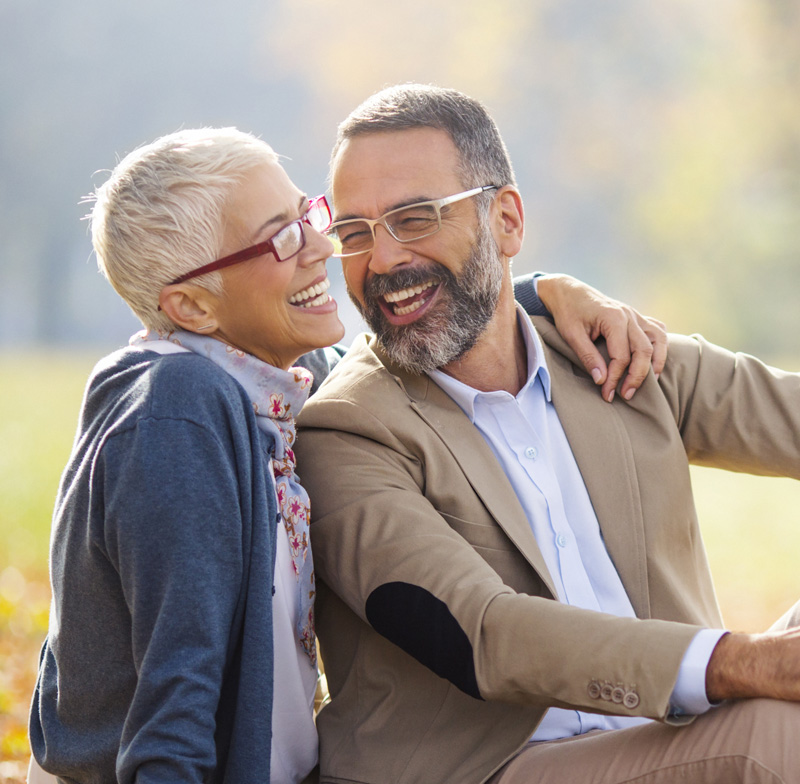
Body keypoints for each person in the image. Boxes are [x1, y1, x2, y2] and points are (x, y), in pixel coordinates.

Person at [27, 126, 661, 784]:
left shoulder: (276, 382)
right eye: (281, 238)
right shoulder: (178, 413)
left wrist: (541, 293)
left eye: (308, 215)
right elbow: (174, 706)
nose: (322, 247)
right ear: (191, 305)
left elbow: (402, 343)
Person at [294, 84, 800, 784]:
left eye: (414, 219)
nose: (380, 262)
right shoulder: (345, 431)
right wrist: (744, 662)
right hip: (493, 769)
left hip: (671, 737)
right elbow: (487, 634)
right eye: (354, 233)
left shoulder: (612, 351)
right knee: (776, 733)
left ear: (505, 220)